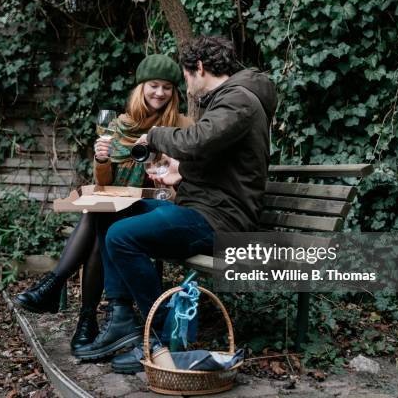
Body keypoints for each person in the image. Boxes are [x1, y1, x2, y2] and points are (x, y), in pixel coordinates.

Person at [72, 35, 277, 374]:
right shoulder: (233, 99)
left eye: (184, 78)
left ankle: (160, 337)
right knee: (113, 214)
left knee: (122, 236)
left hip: (219, 221)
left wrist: (154, 137)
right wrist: (180, 174)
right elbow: (218, 160)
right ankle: (122, 319)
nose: (187, 87)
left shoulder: (238, 100)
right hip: (203, 209)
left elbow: (197, 140)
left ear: (198, 68)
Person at [13, 54, 194, 353]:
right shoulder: (121, 124)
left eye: (166, 87)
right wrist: (101, 158)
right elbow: (104, 181)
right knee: (100, 216)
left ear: (174, 92)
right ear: (140, 88)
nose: (159, 93)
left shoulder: (182, 126)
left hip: (155, 210)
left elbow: (184, 179)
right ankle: (85, 316)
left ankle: (66, 296)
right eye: (153, 85)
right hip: (117, 205)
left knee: (99, 218)